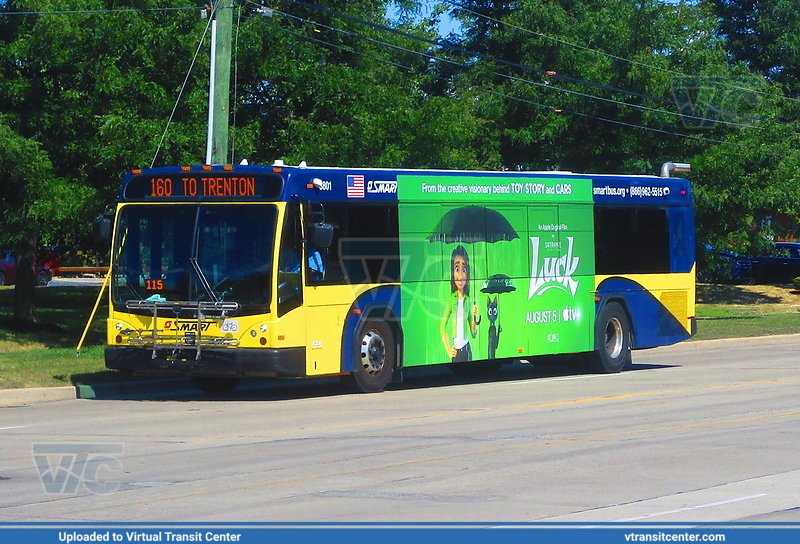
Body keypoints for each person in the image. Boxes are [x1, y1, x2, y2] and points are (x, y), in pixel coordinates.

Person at [440, 245, 480, 362]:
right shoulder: (452, 300)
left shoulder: (468, 300)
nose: (461, 275)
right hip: (456, 350)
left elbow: (473, 333)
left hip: (467, 349)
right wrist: (449, 350)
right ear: (452, 273)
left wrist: (475, 317)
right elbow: (442, 327)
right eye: (457, 269)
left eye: (464, 269)